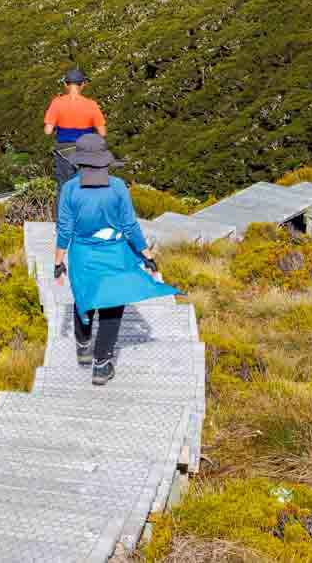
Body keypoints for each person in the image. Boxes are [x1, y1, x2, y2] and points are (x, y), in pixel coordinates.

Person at [52, 135, 178, 385]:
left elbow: (64, 229)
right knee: (112, 307)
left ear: (79, 162)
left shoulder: (69, 189)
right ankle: (101, 366)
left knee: (84, 298)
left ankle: (83, 345)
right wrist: (147, 255)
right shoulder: (118, 187)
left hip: (83, 254)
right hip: (114, 254)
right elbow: (130, 226)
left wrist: (58, 263)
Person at [44, 68, 107, 187]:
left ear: (65, 84)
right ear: (83, 84)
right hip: (85, 149)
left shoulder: (57, 103)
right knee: (86, 185)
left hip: (64, 150)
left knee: (64, 186)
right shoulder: (91, 104)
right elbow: (102, 132)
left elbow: (48, 131)